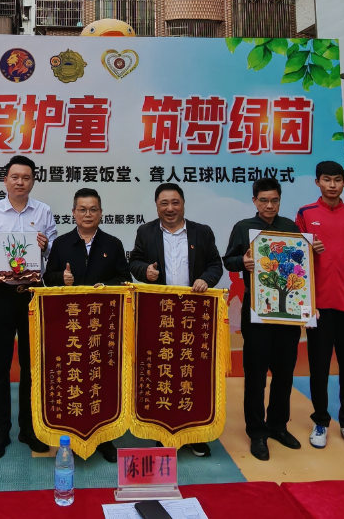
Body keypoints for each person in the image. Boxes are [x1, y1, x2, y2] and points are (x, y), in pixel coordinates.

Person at [128, 182, 223, 458]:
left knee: (193, 372)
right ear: (157, 206)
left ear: (183, 204)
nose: (170, 208)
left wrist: (205, 280)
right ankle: (163, 432)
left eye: (175, 202)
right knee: (163, 371)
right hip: (161, 315)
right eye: (164, 203)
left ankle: (195, 434)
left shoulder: (202, 232)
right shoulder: (145, 232)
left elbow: (215, 265)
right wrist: (145, 271)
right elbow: (134, 262)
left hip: (194, 313)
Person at [0, 156, 57, 459]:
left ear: (33, 181)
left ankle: (28, 426)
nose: (20, 182)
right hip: (1, 294)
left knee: (31, 365)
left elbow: (54, 252)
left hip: (32, 296)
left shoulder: (44, 211)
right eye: (15, 177)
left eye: (26, 177)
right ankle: (1, 428)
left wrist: (45, 247)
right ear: (5, 180)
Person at [42, 187, 130, 464]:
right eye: (82, 209)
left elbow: (125, 279)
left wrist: (105, 286)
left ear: (101, 213)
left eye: (93, 209)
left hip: (102, 326)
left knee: (102, 378)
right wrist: (62, 279)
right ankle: (70, 432)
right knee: (72, 377)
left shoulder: (113, 244)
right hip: (68, 325)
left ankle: (105, 437)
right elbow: (47, 279)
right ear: (74, 213)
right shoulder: (62, 244)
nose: (88, 214)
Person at [223, 177, 304, 462]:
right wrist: (242, 263)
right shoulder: (243, 227)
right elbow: (228, 259)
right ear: (255, 201)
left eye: (274, 200)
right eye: (264, 200)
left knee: (284, 372)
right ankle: (257, 432)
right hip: (256, 310)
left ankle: (278, 425)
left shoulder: (291, 228)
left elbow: (302, 266)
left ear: (280, 200)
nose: (269, 205)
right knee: (256, 374)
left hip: (288, 312)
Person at [294, 161, 344, 452]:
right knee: (319, 366)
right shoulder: (305, 214)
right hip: (319, 305)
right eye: (327, 180)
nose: (333, 185)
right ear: (318, 182)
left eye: (338, 180)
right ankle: (321, 421)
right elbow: (295, 258)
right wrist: (307, 249)